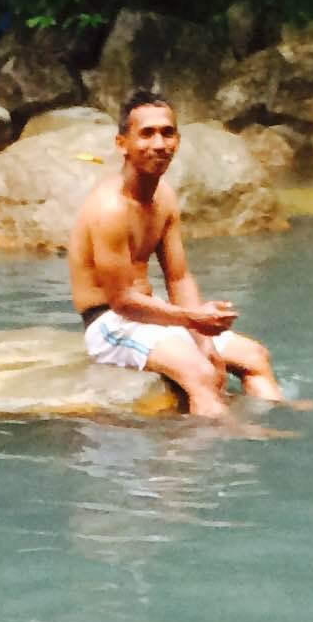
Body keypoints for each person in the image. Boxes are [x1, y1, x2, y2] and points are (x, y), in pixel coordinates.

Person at [67, 92, 286, 421]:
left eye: (167, 133)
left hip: (152, 317)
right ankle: (203, 461)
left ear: (178, 140)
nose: (159, 144)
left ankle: (278, 435)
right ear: (122, 143)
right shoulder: (110, 209)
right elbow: (122, 301)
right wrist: (194, 320)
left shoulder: (163, 198)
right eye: (147, 133)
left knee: (255, 357)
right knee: (201, 374)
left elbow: (178, 277)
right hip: (109, 323)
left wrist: (206, 341)